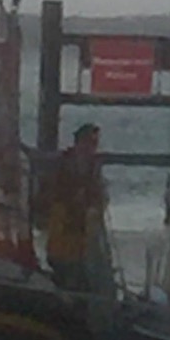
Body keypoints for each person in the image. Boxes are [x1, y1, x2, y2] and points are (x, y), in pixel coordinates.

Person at [39, 122, 107, 290]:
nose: (92, 148)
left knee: (81, 269)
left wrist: (98, 202)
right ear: (79, 142)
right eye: (90, 143)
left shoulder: (94, 166)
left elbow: (98, 194)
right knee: (61, 263)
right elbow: (49, 191)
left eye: (95, 144)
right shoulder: (61, 162)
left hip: (82, 228)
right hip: (63, 221)